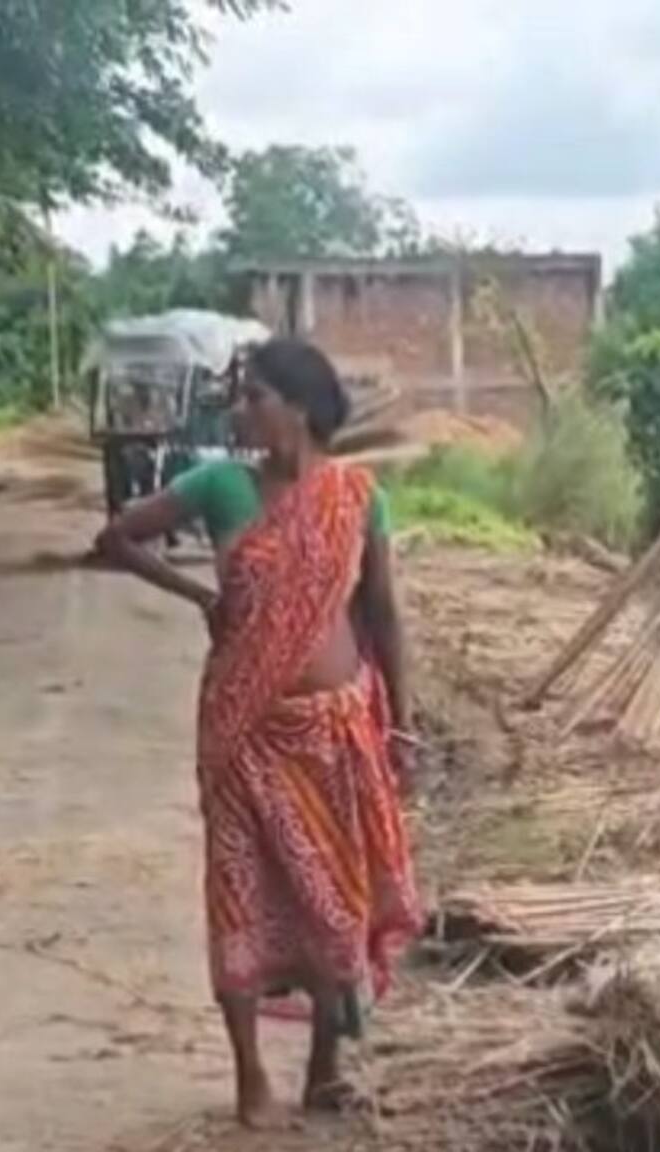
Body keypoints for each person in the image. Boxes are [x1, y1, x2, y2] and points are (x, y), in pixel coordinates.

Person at [88, 337, 422, 1128]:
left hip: (338, 728)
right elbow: (119, 536)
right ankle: (249, 1081)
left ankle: (324, 1071)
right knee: (241, 896)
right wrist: (199, 597)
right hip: (244, 733)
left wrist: (401, 725)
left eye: (256, 396)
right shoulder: (220, 485)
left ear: (300, 407)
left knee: (333, 900)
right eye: (241, 395)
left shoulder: (356, 496)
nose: (240, 410)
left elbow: (381, 615)